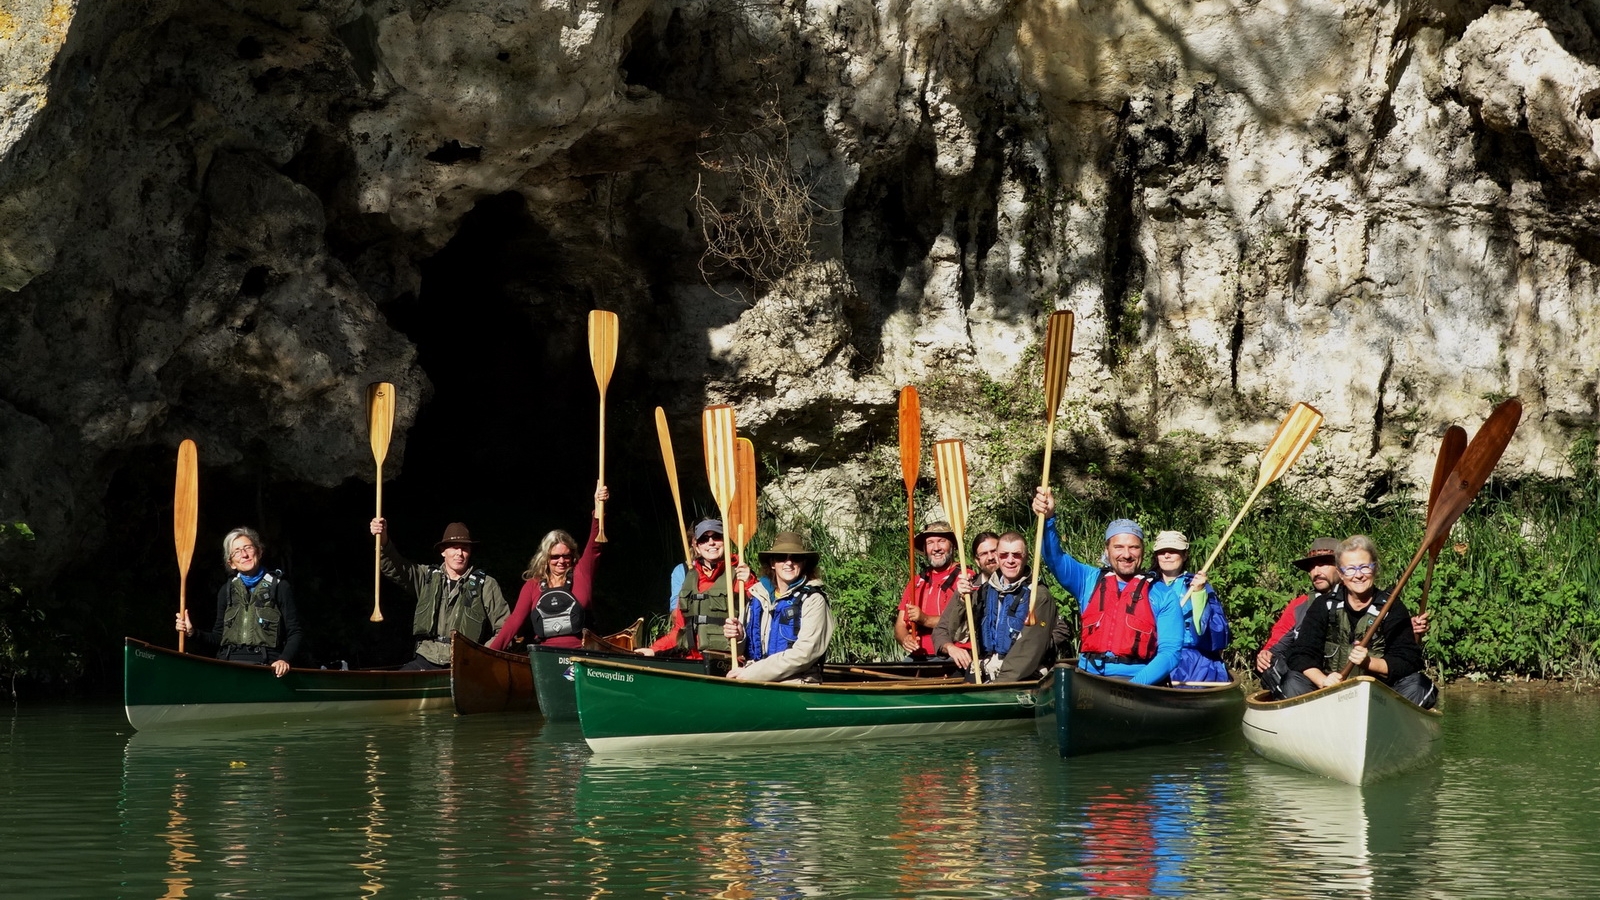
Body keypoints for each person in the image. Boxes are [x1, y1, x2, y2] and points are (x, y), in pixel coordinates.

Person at [1031, 487, 1183, 685]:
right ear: (1107, 549)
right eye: (1118, 547)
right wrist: (1048, 519)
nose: (1126, 554)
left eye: (1134, 547)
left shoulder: (1162, 594)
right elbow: (1055, 558)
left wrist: (1133, 687)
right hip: (1089, 678)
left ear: (1143, 551)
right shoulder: (1087, 580)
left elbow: (1170, 653)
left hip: (1137, 681)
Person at [1282, 535, 1438, 708]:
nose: (1358, 576)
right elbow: (1301, 654)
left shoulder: (1391, 608)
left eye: (1364, 567)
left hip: (1378, 698)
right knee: (1291, 681)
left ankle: (1389, 728)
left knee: (1421, 685)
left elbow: (1408, 660)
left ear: (1375, 569)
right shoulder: (1323, 605)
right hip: (1329, 693)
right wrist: (1323, 680)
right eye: (1350, 569)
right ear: (1341, 573)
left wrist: (1369, 663)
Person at [369, 517, 511, 669]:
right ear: (443, 551)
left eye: (464, 548)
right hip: (427, 658)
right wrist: (383, 539)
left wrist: (481, 655)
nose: (459, 553)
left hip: (466, 662)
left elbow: (506, 629)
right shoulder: (426, 577)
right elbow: (397, 567)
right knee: (398, 685)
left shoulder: (487, 585)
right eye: (454, 547)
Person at [487, 484, 609, 652]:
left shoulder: (581, 572)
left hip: (582, 653)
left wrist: (598, 508)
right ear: (545, 558)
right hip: (545, 656)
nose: (561, 561)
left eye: (566, 555)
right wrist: (489, 652)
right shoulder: (533, 584)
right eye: (555, 557)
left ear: (573, 556)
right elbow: (514, 621)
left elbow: (595, 544)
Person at [176, 527, 302, 677]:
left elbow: (295, 632)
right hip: (228, 662)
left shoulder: (280, 587)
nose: (244, 554)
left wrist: (283, 659)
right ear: (232, 563)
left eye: (248, 547)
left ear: (259, 552)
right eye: (237, 551)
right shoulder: (226, 591)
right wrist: (192, 633)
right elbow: (218, 637)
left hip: (265, 665)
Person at [933, 531, 1058, 682]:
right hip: (984, 672)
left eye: (1016, 555)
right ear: (999, 557)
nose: (1010, 560)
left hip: (1018, 677)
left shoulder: (1039, 595)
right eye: (1004, 555)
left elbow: (1029, 648)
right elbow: (954, 632)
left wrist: (999, 685)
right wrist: (961, 600)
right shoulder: (982, 591)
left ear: (1026, 557)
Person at [722, 531, 835, 682]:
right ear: (772, 563)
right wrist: (739, 636)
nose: (789, 563)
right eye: (782, 557)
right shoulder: (758, 595)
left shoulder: (813, 600)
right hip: (754, 679)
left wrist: (752, 673)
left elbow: (805, 654)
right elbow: (741, 649)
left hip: (796, 682)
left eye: (796, 558)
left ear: (803, 563)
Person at [640, 518, 737, 658]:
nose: (711, 542)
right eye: (704, 539)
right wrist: (653, 650)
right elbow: (679, 630)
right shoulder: (689, 580)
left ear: (725, 541)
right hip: (692, 659)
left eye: (716, 536)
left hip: (727, 662)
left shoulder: (740, 577)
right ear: (696, 546)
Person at [1255, 537, 1340, 696]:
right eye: (1312, 566)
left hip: (1346, 678)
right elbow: (1278, 639)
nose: (1316, 572)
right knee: (1273, 668)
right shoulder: (1298, 605)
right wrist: (1266, 653)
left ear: (1341, 567)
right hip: (1305, 682)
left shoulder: (1357, 600)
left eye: (1323, 564)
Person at [1150, 530, 1231, 683]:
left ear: (1185, 555)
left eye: (1173, 551)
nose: (1167, 555)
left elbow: (1215, 633)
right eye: (1162, 551)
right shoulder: (1146, 585)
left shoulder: (1197, 585)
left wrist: (1199, 593)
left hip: (1194, 658)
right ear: (1156, 555)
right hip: (1154, 655)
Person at [894, 521, 961, 659]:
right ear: (925, 549)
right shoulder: (916, 582)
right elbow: (900, 624)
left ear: (952, 545)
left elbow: (961, 621)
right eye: (930, 543)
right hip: (918, 655)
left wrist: (924, 619)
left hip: (950, 655)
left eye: (942, 541)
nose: (936, 548)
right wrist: (905, 638)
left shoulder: (965, 578)